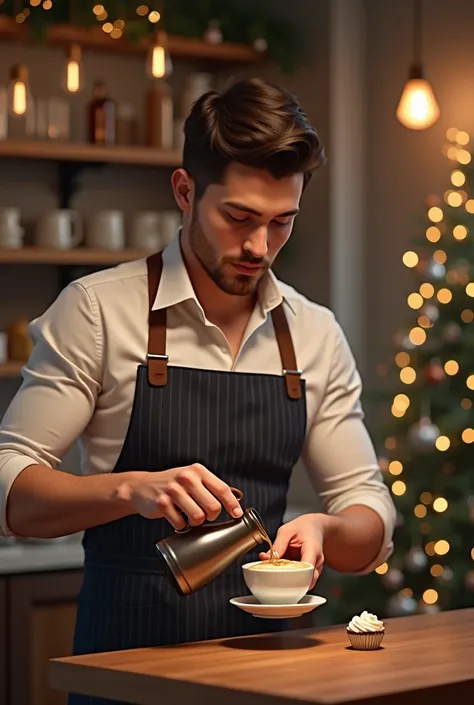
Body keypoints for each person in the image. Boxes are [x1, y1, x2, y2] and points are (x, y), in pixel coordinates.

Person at [0, 77, 395, 704]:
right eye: (238, 217)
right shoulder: (99, 312)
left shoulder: (313, 333)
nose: (260, 247)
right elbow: (12, 490)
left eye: (281, 222)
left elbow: (369, 516)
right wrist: (130, 489)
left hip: (273, 676)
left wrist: (325, 529)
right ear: (185, 191)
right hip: (126, 667)